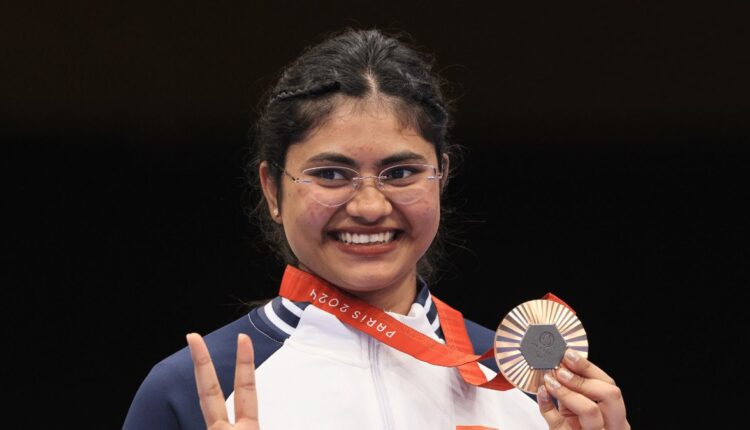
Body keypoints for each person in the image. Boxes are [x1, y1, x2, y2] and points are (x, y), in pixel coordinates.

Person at [124, 29, 629, 430]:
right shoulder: (191, 389)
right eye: (330, 174)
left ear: (441, 178)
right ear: (273, 190)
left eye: (401, 172)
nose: (369, 206)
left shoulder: (528, 387)